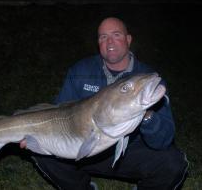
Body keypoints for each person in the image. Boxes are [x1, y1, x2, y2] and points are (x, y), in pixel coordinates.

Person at [20, 17, 188, 190]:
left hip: (131, 153)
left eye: (116, 35)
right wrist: (36, 136)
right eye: (103, 37)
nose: (109, 42)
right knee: (43, 152)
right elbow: (59, 114)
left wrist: (147, 115)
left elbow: (163, 140)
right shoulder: (81, 70)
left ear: (128, 39)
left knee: (173, 163)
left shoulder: (145, 77)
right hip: (85, 150)